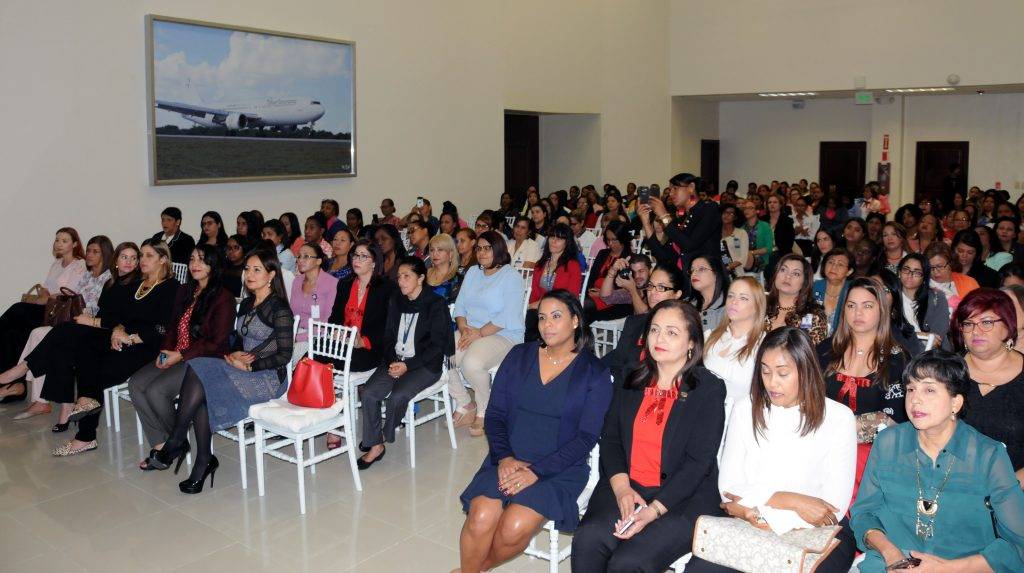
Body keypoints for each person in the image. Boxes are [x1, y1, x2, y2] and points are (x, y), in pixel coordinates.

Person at [455, 290, 612, 573]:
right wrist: (504, 458)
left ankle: (476, 570)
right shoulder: (519, 356)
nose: (547, 325)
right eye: (542, 318)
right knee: (480, 516)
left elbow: (586, 437)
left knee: (514, 527)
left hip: (558, 467)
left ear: (576, 321)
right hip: (509, 457)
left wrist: (536, 472)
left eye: (556, 317)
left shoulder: (594, 372)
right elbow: (495, 414)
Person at [684, 327, 857, 573]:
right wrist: (792, 501)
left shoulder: (839, 418)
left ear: (805, 371)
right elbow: (730, 488)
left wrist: (753, 510)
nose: (772, 382)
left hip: (815, 533)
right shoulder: (746, 409)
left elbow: (829, 509)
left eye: (782, 373)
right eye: (765, 371)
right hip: (749, 523)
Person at [572, 300, 726, 572]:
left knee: (629, 562)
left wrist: (653, 510)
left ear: (692, 342)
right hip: (627, 484)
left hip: (681, 497)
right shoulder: (632, 378)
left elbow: (697, 464)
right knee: (588, 539)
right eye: (654, 330)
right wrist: (621, 490)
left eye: (672, 332)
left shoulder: (707, 389)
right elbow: (611, 439)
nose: (659, 338)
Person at [851, 350, 1024, 573]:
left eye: (929, 389)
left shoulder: (988, 455)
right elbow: (864, 513)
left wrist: (950, 568)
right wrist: (890, 553)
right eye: (911, 389)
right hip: (889, 564)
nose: (915, 399)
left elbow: (1018, 545)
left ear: (956, 403)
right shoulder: (888, 442)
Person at [150, 248, 294, 493]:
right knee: (201, 377)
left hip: (268, 378)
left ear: (271, 275)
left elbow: (285, 354)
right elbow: (238, 338)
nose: (249, 274)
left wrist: (251, 365)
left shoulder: (279, 308)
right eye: (247, 269)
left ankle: (179, 440)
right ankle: (202, 458)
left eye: (257, 270)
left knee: (200, 375)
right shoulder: (248, 302)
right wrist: (234, 353)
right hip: (241, 368)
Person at [33, 240, 177, 456]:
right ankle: (85, 424)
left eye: (148, 256)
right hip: (124, 340)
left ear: (163, 260)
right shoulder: (139, 284)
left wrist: (131, 337)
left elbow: (163, 327)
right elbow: (121, 316)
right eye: (142, 255)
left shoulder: (171, 288)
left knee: (93, 369)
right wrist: (118, 330)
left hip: (146, 348)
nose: (141, 260)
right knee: (85, 347)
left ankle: (85, 435)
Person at [128, 245, 234, 469]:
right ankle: (162, 442)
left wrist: (180, 355)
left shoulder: (223, 297)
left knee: (157, 391)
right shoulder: (186, 290)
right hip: (177, 353)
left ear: (213, 265)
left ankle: (174, 443)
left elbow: (215, 342)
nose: (195, 264)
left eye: (202, 260)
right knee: (136, 384)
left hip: (203, 360)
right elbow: (172, 328)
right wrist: (165, 351)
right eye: (192, 259)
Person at [354, 257, 454, 468]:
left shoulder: (435, 304)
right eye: (399, 276)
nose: (400, 281)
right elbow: (388, 336)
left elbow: (437, 346)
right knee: (370, 393)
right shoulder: (396, 300)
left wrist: (407, 366)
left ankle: (379, 438)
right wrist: (393, 361)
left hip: (424, 365)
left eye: (406, 276)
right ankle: (376, 443)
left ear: (420, 279)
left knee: (397, 397)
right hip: (396, 360)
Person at [817, 277, 908, 499]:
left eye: (867, 305)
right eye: (851, 305)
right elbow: (805, 400)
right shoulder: (824, 350)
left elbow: (891, 422)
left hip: (870, 457)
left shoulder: (897, 360)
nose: (858, 313)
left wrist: (835, 434)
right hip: (817, 448)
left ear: (882, 310)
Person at [0, 236, 114, 412]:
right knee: (35, 332)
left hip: (88, 325)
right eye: (89, 250)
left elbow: (100, 310)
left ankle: (21, 374)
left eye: (95, 252)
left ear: (105, 254)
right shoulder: (89, 275)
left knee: (22, 314)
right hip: (73, 319)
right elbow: (75, 297)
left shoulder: (108, 279)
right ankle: (40, 401)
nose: (89, 255)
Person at [448, 231, 526, 437]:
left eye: (487, 248)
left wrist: (479, 333)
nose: (482, 253)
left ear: (498, 249)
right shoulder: (473, 272)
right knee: (442, 355)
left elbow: (508, 315)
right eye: (479, 248)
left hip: (504, 334)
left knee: (471, 363)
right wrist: (465, 329)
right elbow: (461, 306)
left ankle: (485, 410)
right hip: (471, 330)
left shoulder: (511, 277)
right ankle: (465, 403)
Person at [951, 289, 1024, 487]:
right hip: (949, 487)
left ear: (1008, 327)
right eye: (968, 323)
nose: (976, 331)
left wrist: (1005, 490)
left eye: (987, 322)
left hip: (1014, 491)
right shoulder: (945, 372)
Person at [0, 227, 86, 375]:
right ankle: (13, 386)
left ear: (75, 244)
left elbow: (69, 293)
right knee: (12, 335)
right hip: (46, 308)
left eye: (64, 241)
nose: (59, 243)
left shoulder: (80, 264)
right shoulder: (56, 263)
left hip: (60, 313)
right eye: (57, 240)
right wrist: (47, 296)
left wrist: (49, 296)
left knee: (18, 308)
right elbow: (46, 289)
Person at [602, 267, 686, 387]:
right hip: (621, 385)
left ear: (677, 294)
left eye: (661, 287)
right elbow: (617, 360)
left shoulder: (679, 330)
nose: (653, 292)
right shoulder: (634, 322)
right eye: (651, 286)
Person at [327, 240, 395, 373]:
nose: (357, 259)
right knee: (311, 355)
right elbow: (334, 317)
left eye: (363, 256)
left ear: (374, 262)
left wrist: (362, 342)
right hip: (343, 345)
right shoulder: (344, 284)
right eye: (356, 255)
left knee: (329, 361)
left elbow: (389, 327)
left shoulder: (386, 288)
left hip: (370, 348)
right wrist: (335, 331)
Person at [639, 172, 722, 271]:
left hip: (708, 277)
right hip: (687, 279)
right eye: (670, 190)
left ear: (691, 187)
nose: (670, 193)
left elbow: (689, 245)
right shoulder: (682, 218)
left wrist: (663, 216)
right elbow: (663, 255)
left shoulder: (709, 209)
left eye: (675, 188)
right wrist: (646, 223)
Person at [703, 277, 767, 403]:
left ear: (757, 306)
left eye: (743, 298)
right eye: (731, 296)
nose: (734, 302)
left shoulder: (764, 345)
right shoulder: (709, 337)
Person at [526, 223, 582, 342]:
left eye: (559, 238)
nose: (554, 241)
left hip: (563, 308)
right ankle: (531, 352)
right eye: (552, 237)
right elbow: (534, 293)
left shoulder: (573, 265)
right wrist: (532, 305)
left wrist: (541, 304)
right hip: (540, 309)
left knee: (533, 318)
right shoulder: (540, 265)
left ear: (567, 243)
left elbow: (572, 296)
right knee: (530, 315)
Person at [765, 253, 829, 345]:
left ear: (805, 281)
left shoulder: (814, 315)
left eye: (796, 273)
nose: (787, 276)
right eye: (783, 270)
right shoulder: (760, 306)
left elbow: (812, 354)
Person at [290, 242, 338, 359]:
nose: (300, 260)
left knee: (285, 356)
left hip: (317, 336)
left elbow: (326, 324)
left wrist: (297, 337)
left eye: (306, 256)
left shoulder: (332, 283)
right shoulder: (297, 281)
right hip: (293, 332)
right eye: (299, 256)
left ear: (318, 261)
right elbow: (291, 314)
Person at [583, 221, 634, 323]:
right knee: (580, 306)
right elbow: (592, 277)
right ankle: (579, 335)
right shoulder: (603, 253)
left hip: (616, 302)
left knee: (585, 307)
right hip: (595, 294)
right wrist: (590, 290)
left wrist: (602, 294)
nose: (610, 244)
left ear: (622, 238)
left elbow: (625, 291)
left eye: (614, 240)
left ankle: (576, 335)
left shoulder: (629, 258)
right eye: (608, 240)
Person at [897, 253, 951, 349]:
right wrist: (920, 335)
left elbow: (937, 338)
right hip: (901, 352)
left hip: (933, 354)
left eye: (917, 272)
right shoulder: (890, 296)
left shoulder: (937, 298)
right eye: (906, 269)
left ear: (924, 277)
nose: (910, 275)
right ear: (899, 272)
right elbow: (890, 332)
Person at [925, 241, 979, 311]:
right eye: (931, 267)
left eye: (940, 266)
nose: (935, 272)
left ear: (950, 263)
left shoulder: (969, 283)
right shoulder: (922, 285)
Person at [687, 255, 730, 332]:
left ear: (716, 274)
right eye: (692, 270)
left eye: (701, 269)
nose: (694, 274)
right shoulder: (687, 306)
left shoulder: (731, 305)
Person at [739, 199, 773, 279]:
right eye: (745, 208)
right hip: (744, 260)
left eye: (750, 208)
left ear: (756, 211)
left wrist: (751, 253)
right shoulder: (741, 229)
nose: (746, 210)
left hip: (761, 260)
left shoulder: (765, 226)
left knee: (742, 258)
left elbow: (768, 248)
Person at [426, 233, 462, 304]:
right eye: (432, 250)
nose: (435, 254)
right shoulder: (423, 275)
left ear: (450, 254)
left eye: (440, 250)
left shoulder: (458, 280)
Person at [719, 204, 749, 277]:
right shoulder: (715, 233)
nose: (727, 215)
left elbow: (743, 257)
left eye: (731, 213)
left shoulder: (741, 233)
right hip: (718, 272)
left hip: (736, 273)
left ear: (735, 217)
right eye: (725, 212)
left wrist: (728, 268)